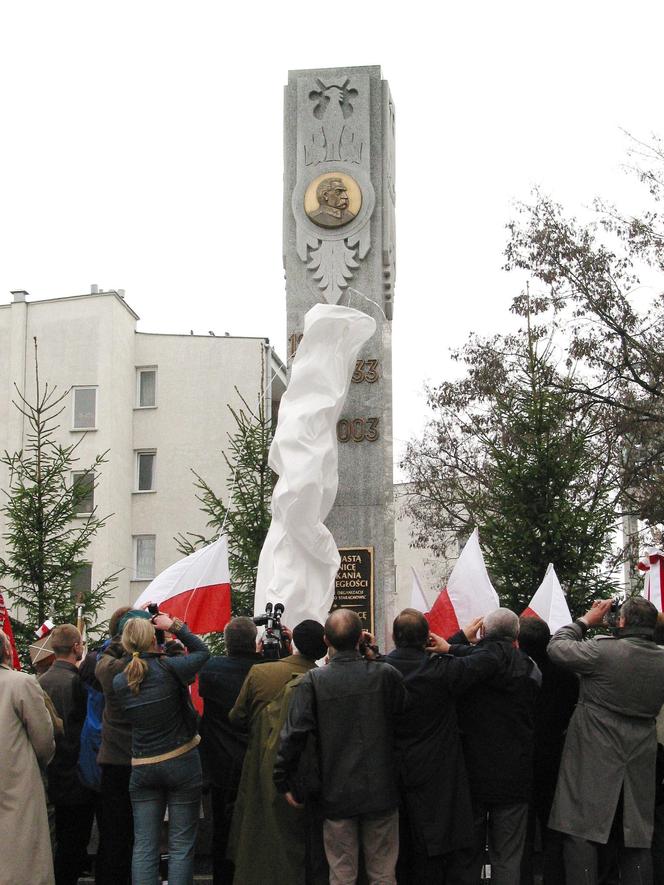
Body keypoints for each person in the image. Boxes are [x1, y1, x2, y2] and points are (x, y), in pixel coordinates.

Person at [274, 608, 406, 885]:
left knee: (341, 873)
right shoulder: (385, 675)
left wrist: (284, 779)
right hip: (381, 787)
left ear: (326, 640)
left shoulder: (315, 681)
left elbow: (294, 734)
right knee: (383, 872)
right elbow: (406, 716)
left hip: (336, 789)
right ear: (360, 638)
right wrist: (375, 655)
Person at [548, 597, 664, 884]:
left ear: (621, 622)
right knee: (636, 836)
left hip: (593, 750)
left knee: (580, 829)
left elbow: (557, 647)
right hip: (641, 750)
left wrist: (586, 620)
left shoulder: (603, 652)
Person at [386, 609, 502, 884]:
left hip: (394, 769)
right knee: (436, 850)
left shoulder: (379, 668)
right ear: (426, 638)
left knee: (401, 849)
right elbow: (489, 658)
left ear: (393, 637)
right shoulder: (441, 671)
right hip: (437, 770)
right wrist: (454, 643)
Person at [227, 619, 328, 885]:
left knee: (264, 839)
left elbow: (237, 717)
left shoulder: (261, 674)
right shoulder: (322, 679)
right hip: (313, 772)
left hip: (265, 765)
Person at [113, 612, 210, 885]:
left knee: (144, 846)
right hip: (182, 759)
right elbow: (203, 652)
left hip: (142, 766)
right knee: (181, 844)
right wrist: (175, 626)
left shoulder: (121, 681)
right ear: (154, 639)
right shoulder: (171, 668)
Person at [448, 608, 541, 885]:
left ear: (484, 632)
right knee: (508, 856)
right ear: (516, 635)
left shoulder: (467, 667)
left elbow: (437, 664)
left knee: (468, 854)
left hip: (472, 771)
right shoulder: (531, 670)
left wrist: (458, 641)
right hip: (514, 772)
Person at [198, 616, 264, 884]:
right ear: (254, 642)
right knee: (257, 828)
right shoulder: (266, 669)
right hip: (256, 761)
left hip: (221, 763)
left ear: (226, 643)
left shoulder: (211, 670)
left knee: (222, 831)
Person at [518, 616, 578, 885]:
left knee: (522, 826)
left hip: (521, 755)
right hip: (554, 753)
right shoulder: (565, 674)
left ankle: (525, 876)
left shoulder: (515, 671)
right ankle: (554, 876)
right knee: (552, 822)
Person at [39, 623, 97, 885]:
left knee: (57, 839)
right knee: (74, 843)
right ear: (76, 647)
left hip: (50, 770)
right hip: (76, 773)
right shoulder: (78, 683)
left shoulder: (40, 681)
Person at [0, 627, 56, 885]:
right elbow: (44, 739)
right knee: (23, 858)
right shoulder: (21, 683)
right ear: (6, 651)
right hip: (17, 779)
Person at [94, 605, 138, 885]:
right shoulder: (146, 666)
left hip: (110, 757)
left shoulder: (101, 665)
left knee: (111, 832)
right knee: (139, 833)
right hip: (140, 757)